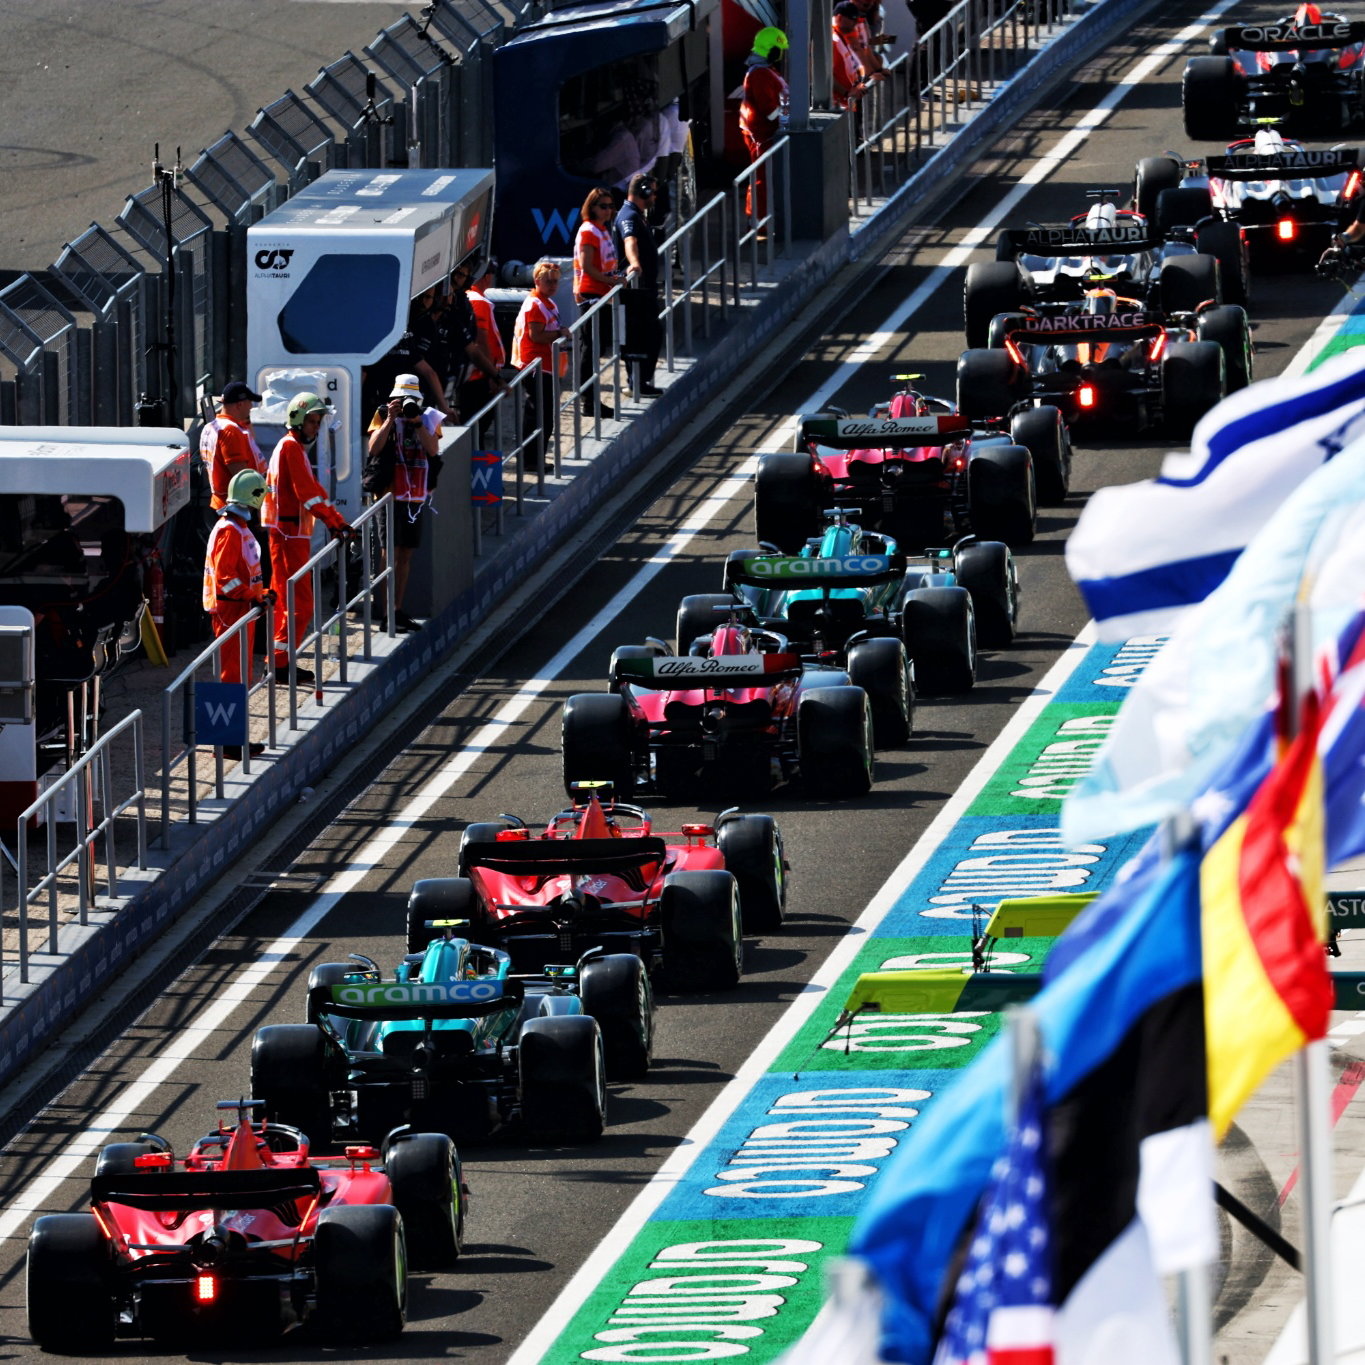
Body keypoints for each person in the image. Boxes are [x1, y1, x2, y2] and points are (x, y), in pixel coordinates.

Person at [263, 392, 351, 682]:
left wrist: (335, 520)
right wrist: (337, 523)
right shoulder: (291, 449)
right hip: (289, 537)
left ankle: (279, 662)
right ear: (298, 420)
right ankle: (279, 664)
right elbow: (309, 495)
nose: (316, 427)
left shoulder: (290, 448)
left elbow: (312, 491)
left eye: (318, 421)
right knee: (299, 604)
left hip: (288, 535)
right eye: (313, 421)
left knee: (290, 603)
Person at [362, 373, 443, 632]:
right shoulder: (383, 413)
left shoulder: (429, 416)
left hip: (415, 495)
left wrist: (417, 422)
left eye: (409, 399)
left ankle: (397, 609)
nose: (405, 403)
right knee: (389, 554)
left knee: (406, 554)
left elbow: (433, 450)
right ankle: (385, 612)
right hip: (389, 493)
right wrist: (389, 420)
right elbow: (373, 449)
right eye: (400, 399)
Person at [202, 469, 273, 756]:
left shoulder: (236, 528)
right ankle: (228, 742)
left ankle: (232, 739)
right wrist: (252, 596)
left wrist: (260, 594)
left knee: (238, 674)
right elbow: (226, 580)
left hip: (240, 609)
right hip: (230, 611)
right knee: (231, 674)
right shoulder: (230, 531)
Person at [512, 259, 571, 470]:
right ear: (537, 280)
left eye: (555, 281)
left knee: (545, 415)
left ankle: (535, 459)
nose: (553, 285)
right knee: (538, 414)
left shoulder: (548, 302)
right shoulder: (535, 304)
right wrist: (559, 333)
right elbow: (535, 335)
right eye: (548, 281)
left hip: (546, 366)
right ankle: (530, 461)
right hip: (535, 366)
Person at [573, 187, 622, 419]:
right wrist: (612, 281)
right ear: (592, 207)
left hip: (602, 293)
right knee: (590, 349)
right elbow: (588, 267)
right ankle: (588, 401)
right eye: (603, 206)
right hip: (591, 295)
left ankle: (592, 399)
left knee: (597, 348)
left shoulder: (602, 229)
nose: (609, 211)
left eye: (611, 206)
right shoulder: (588, 230)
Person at [614, 173, 664, 398]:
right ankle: (637, 382)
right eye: (652, 191)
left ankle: (639, 381)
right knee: (642, 336)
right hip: (636, 291)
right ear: (643, 191)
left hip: (645, 288)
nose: (654, 196)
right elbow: (630, 241)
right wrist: (635, 263)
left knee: (648, 335)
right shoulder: (629, 216)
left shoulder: (638, 215)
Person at [739, 27, 790, 227]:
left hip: (769, 134)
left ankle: (763, 218)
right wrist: (787, 117)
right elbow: (770, 110)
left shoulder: (767, 71)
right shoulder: (760, 74)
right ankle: (759, 221)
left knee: (767, 178)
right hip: (762, 134)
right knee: (762, 178)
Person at [199, 381, 267, 513]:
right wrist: (258, 508)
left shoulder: (212, 427)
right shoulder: (231, 432)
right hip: (238, 507)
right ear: (240, 404)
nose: (251, 407)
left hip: (223, 503)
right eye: (249, 402)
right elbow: (241, 476)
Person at [460, 257, 508, 440]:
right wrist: (492, 375)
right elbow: (482, 341)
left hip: (472, 374)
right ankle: (473, 464)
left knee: (474, 425)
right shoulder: (479, 302)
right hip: (479, 376)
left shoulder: (471, 298)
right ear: (487, 276)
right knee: (478, 426)